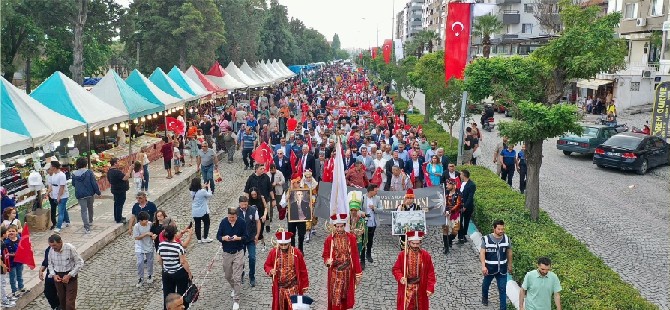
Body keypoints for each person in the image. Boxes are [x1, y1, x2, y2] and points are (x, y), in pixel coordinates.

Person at [322, 213, 363, 310]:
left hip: (348, 272)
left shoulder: (351, 238)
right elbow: (326, 254)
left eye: (341, 227)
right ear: (334, 226)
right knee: (336, 297)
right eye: (337, 227)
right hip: (335, 273)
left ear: (344, 226)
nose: (339, 229)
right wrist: (327, 261)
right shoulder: (329, 239)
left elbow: (355, 256)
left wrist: (358, 273)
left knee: (345, 297)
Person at [264, 231, 310, 310]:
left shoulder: (296, 253)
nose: (283, 247)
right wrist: (271, 270)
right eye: (281, 245)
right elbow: (267, 265)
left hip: (293, 287)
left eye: (285, 245)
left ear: (289, 243)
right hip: (280, 288)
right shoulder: (273, 253)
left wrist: (305, 284)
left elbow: (303, 269)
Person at [391, 230, 436, 310]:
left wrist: (430, 287)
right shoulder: (403, 255)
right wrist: (401, 277)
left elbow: (430, 273)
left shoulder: (426, 256)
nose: (415, 246)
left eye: (417, 243)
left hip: (420, 289)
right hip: (406, 289)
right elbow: (396, 269)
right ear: (409, 242)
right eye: (413, 243)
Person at [217, 207, 247, 310]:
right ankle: (235, 288)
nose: (231, 219)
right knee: (228, 275)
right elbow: (218, 236)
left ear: (236, 216)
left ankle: (236, 300)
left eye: (233, 218)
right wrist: (223, 238)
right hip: (226, 253)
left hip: (238, 252)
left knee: (237, 277)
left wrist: (238, 238)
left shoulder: (242, 222)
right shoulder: (223, 222)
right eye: (229, 217)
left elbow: (246, 237)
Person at [480, 220, 513, 309]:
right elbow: (482, 253)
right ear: (494, 228)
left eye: (502, 229)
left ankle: (503, 308)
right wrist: (483, 266)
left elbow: (509, 252)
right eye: (499, 229)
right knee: (486, 285)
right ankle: (485, 297)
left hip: (502, 270)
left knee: (502, 289)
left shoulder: (506, 239)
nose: (501, 231)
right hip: (489, 269)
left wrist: (510, 265)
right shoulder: (486, 239)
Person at [158, 225, 192, 310]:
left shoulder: (161, 245)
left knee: (167, 295)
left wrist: (164, 267)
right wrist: (189, 273)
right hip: (179, 273)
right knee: (182, 294)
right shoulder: (178, 246)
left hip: (166, 273)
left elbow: (159, 259)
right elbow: (183, 262)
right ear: (174, 234)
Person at [47, 234, 84, 310]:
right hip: (58, 277)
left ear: (60, 242)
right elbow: (50, 264)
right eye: (51, 246)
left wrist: (69, 275)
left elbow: (80, 263)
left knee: (69, 302)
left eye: (54, 245)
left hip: (70, 277)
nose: (53, 248)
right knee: (62, 301)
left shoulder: (70, 248)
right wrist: (54, 275)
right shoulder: (51, 250)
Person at [71, 157, 101, 234]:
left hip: (80, 195)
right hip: (90, 193)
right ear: (86, 164)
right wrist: (98, 192)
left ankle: (87, 228)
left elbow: (73, 184)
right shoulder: (89, 172)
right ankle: (90, 221)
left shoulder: (74, 174)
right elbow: (94, 183)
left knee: (83, 211)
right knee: (90, 208)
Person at [237, 196, 260, 287]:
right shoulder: (236, 212)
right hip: (240, 240)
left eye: (246, 204)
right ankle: (241, 273)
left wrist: (257, 235)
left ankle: (252, 276)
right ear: (239, 204)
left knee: (252, 257)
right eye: (242, 205)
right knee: (240, 259)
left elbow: (258, 222)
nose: (244, 206)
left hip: (251, 238)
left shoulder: (253, 210)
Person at [133, 211, 156, 287]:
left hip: (149, 245)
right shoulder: (136, 226)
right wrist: (146, 234)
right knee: (140, 262)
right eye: (145, 220)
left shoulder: (150, 224)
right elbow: (136, 237)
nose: (147, 221)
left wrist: (153, 236)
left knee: (150, 261)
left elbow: (153, 233)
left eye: (147, 219)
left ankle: (150, 275)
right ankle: (141, 277)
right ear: (140, 220)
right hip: (139, 246)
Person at [347, 191, 367, 270]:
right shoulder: (348, 218)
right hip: (349, 239)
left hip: (358, 240)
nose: (353, 212)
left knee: (358, 253)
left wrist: (352, 231)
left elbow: (361, 230)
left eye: (355, 210)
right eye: (352, 210)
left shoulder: (361, 219)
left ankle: (359, 264)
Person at [107, 157, 131, 224]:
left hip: (115, 189)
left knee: (116, 203)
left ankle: (117, 216)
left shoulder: (109, 171)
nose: (119, 163)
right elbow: (125, 177)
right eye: (118, 162)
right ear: (115, 163)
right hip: (120, 190)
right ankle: (119, 219)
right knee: (119, 204)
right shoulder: (116, 172)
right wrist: (130, 170)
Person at [190, 177, 214, 243]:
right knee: (207, 223)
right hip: (203, 211)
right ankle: (205, 237)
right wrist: (208, 187)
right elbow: (210, 195)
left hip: (195, 211)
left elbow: (198, 190)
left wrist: (203, 186)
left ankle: (199, 239)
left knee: (197, 225)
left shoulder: (192, 192)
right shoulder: (202, 191)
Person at [50, 161, 71, 232]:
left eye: (51, 166)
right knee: (63, 209)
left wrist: (59, 196)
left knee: (60, 211)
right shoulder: (53, 174)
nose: (50, 168)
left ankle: (58, 227)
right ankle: (67, 221)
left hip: (63, 196)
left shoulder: (62, 175)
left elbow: (62, 187)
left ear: (54, 167)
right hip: (56, 195)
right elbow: (52, 185)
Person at [361, 184, 380, 265]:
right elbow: (358, 209)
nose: (377, 192)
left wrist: (374, 208)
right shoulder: (362, 198)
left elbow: (381, 209)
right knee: (363, 240)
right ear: (370, 191)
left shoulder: (377, 198)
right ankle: (362, 260)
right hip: (364, 222)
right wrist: (363, 214)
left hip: (373, 222)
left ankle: (368, 254)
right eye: (375, 191)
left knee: (370, 239)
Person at [3, 225, 24, 297]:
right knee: (12, 277)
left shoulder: (20, 240)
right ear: (7, 232)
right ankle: (14, 290)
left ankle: (21, 287)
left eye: (13, 231)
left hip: (19, 262)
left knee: (19, 275)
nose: (11, 232)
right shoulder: (6, 242)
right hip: (11, 263)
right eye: (10, 231)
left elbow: (24, 248)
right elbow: (5, 253)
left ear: (17, 232)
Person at [38, 245, 60, 310]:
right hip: (50, 275)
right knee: (48, 293)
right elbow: (46, 262)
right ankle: (56, 306)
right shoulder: (48, 249)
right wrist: (41, 270)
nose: (53, 247)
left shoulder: (64, 251)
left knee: (63, 294)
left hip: (61, 275)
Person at [443, 180, 461, 254]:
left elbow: (458, 204)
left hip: (455, 215)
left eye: (448, 185)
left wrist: (450, 211)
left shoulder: (458, 194)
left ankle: (449, 240)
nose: (447, 186)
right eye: (446, 184)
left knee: (455, 231)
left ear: (453, 185)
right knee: (445, 230)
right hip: (446, 215)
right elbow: (442, 203)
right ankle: (446, 247)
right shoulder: (445, 194)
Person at [458, 170, 476, 244]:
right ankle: (460, 236)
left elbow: (470, 197)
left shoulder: (471, 185)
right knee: (459, 221)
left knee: (466, 221)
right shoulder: (462, 183)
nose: (460, 176)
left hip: (467, 206)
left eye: (461, 174)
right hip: (460, 205)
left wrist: (465, 206)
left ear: (464, 175)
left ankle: (463, 235)